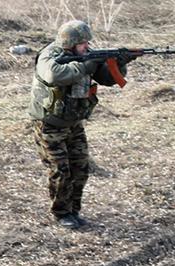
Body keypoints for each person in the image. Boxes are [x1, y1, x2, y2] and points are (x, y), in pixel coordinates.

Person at [28, 20, 134, 229]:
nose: (87, 46)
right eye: (83, 43)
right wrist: (85, 65)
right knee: (61, 170)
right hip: (49, 124)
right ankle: (61, 213)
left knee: (81, 167)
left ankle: (74, 211)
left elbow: (107, 79)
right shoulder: (50, 55)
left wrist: (121, 62)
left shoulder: (84, 54)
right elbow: (53, 74)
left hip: (74, 122)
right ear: (71, 42)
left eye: (88, 42)